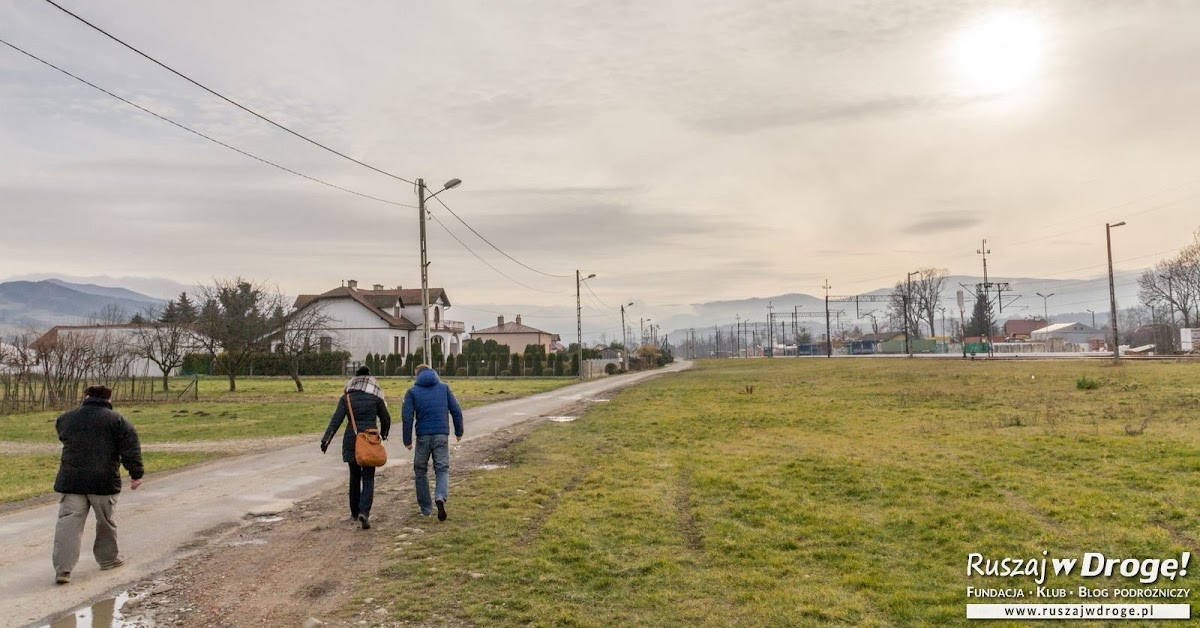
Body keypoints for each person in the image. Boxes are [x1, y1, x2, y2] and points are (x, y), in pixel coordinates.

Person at [52, 384, 144, 585]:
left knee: (68, 525)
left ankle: (63, 570)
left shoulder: (66, 418)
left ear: (85, 397)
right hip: (104, 481)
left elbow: (62, 435)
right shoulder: (119, 421)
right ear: (109, 399)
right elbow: (130, 449)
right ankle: (108, 560)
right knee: (105, 522)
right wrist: (136, 474)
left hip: (71, 481)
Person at [321, 366, 391, 530]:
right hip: (369, 440)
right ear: (369, 378)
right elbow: (386, 418)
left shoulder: (347, 397)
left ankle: (354, 512)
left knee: (354, 476)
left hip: (351, 440)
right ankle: (364, 511)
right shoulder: (375, 396)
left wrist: (326, 440)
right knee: (368, 477)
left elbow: (336, 420)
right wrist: (384, 434)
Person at [402, 364, 464, 521]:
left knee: (420, 470)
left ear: (418, 375)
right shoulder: (444, 388)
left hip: (423, 435)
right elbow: (456, 410)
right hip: (441, 435)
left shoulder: (412, 392)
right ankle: (440, 497)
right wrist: (459, 431)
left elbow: (407, 417)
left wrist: (407, 440)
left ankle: (425, 509)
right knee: (442, 469)